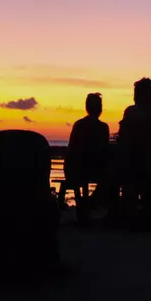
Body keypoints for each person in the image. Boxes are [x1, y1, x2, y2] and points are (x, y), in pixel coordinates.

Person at [116, 77, 151, 228]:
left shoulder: (131, 112)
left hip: (133, 162)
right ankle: (148, 215)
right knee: (149, 181)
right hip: (147, 163)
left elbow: (122, 136)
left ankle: (130, 215)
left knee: (130, 180)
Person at [64, 93, 110, 223]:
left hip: (74, 168)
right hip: (90, 169)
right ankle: (93, 202)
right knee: (112, 174)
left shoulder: (79, 125)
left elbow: (72, 147)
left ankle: (88, 203)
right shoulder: (102, 127)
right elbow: (103, 150)